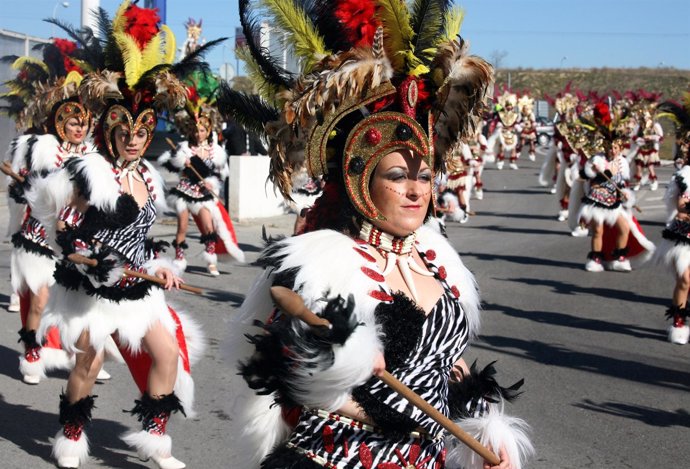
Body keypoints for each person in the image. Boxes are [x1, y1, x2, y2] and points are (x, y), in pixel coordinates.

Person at [221, 2, 533, 468]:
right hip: (344, 456)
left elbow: (446, 362)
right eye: (395, 176)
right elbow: (278, 369)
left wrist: (483, 430)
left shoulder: (437, 261)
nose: (414, 190)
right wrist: (365, 393)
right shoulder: (328, 264)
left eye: (424, 177)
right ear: (361, 181)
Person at [26, 3, 204, 467]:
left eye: (141, 132)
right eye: (125, 130)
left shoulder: (149, 176)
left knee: (167, 356)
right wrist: (86, 256)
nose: (133, 139)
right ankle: (70, 435)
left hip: (136, 285)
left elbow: (145, 238)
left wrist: (159, 269)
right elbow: (60, 226)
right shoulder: (90, 171)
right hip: (91, 288)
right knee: (89, 363)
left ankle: (156, 440)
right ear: (110, 128)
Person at [1, 39, 113, 384]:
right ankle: (32, 350)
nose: (78, 128)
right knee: (39, 300)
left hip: (76, 239)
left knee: (79, 304)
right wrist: (32, 184)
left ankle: (78, 353)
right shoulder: (42, 151)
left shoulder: (95, 159)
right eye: (71, 122)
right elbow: (22, 191)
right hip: (39, 236)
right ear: (59, 123)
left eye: (83, 123)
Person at [159, 77, 244, 275]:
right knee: (181, 226)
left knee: (208, 226)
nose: (199, 134)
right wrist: (181, 161)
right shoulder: (184, 148)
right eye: (196, 131)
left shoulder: (216, 152)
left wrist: (211, 185)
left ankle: (210, 259)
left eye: (202, 130)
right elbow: (168, 163)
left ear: (208, 132)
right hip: (184, 189)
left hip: (203, 192)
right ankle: (179, 259)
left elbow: (220, 174)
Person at [576, 101, 655, 272]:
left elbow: (621, 183)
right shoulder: (597, 160)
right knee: (598, 230)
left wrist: (625, 195)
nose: (612, 150)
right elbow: (585, 177)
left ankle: (619, 257)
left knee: (624, 227)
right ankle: (596, 258)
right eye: (610, 147)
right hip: (597, 200)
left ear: (620, 148)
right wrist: (596, 171)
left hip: (614, 201)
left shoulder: (622, 162)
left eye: (616, 148)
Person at [655, 98, 690, 344]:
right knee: (685, 278)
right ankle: (678, 321)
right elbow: (679, 207)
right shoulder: (684, 176)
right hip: (685, 234)